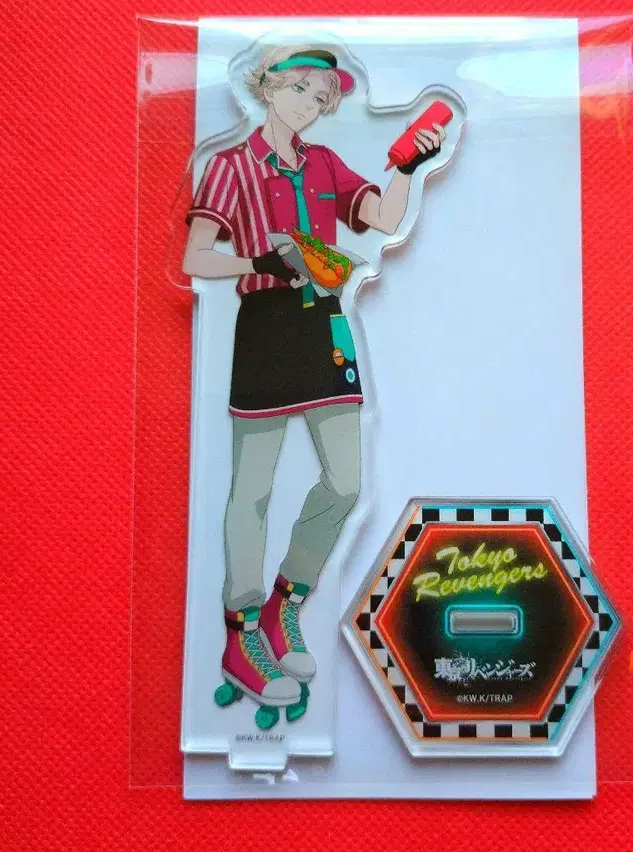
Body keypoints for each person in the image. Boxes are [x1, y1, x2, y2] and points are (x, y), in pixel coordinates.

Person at [183, 45, 446, 711]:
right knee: (251, 491)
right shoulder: (229, 166)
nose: (309, 105)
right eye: (300, 90)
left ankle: (285, 602)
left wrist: (408, 168)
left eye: (321, 99)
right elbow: (195, 259)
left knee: (347, 481)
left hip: (325, 325)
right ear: (267, 86)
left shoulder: (324, 162)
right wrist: (258, 263)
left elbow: (385, 219)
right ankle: (240, 633)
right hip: (265, 328)